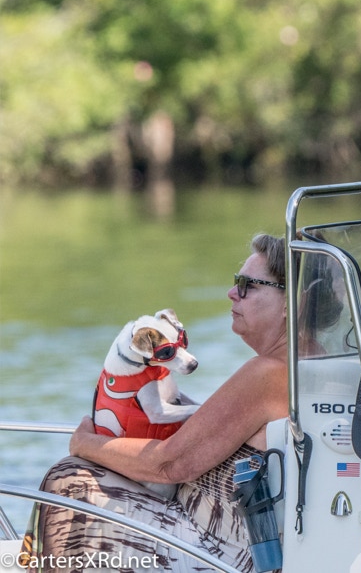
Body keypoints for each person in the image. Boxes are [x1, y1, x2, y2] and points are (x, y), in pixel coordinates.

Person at [21, 233, 290, 572]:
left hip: (217, 553)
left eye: (247, 285)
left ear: (289, 303)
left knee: (70, 482)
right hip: (220, 539)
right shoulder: (304, 368)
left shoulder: (269, 374)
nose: (232, 292)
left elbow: (170, 464)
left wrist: (84, 443)